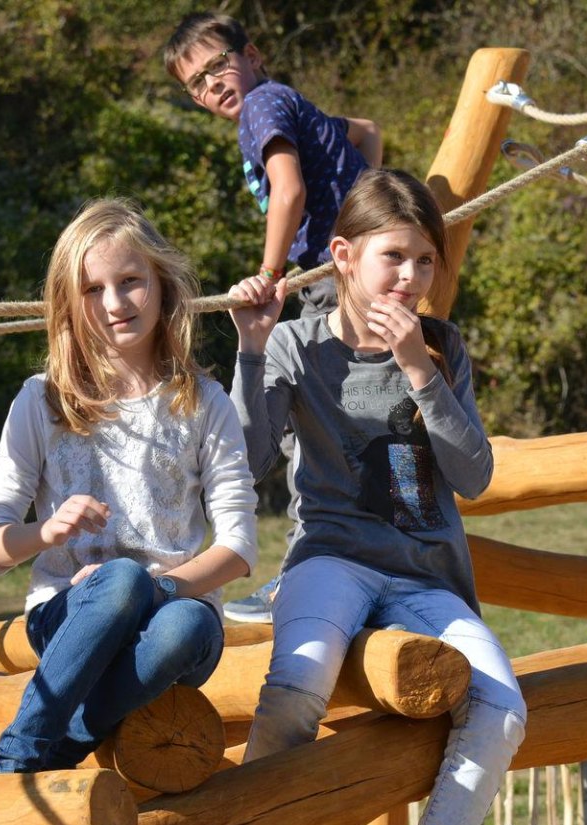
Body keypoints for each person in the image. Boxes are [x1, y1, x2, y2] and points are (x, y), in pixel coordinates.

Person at [205, 169, 526, 825]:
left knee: (502, 712)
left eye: (426, 260)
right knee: (300, 680)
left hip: (427, 576)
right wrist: (248, 344)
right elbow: (246, 460)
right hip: (333, 556)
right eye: (394, 258)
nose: (411, 278)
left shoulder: (443, 347)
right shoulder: (297, 344)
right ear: (343, 258)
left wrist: (421, 369)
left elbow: (476, 474)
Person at [0, 199, 257, 774]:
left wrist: (155, 589)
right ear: (68, 304)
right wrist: (45, 532)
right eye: (93, 289)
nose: (115, 303)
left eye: (130, 282)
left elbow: (240, 549)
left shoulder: (204, 402)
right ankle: (27, 753)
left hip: (171, 622)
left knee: (187, 618)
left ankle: (44, 750)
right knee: (118, 583)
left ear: (161, 283)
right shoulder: (42, 400)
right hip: (67, 616)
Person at [164, 11, 383, 624]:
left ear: (253, 54)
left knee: (307, 431)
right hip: (346, 277)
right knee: (332, 431)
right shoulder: (286, 103)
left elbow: (288, 191)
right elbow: (365, 132)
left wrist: (269, 271)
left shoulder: (263, 106)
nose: (213, 86)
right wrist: (370, 204)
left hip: (327, 285)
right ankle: (335, 572)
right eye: (197, 84)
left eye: (218, 66)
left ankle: (300, 582)